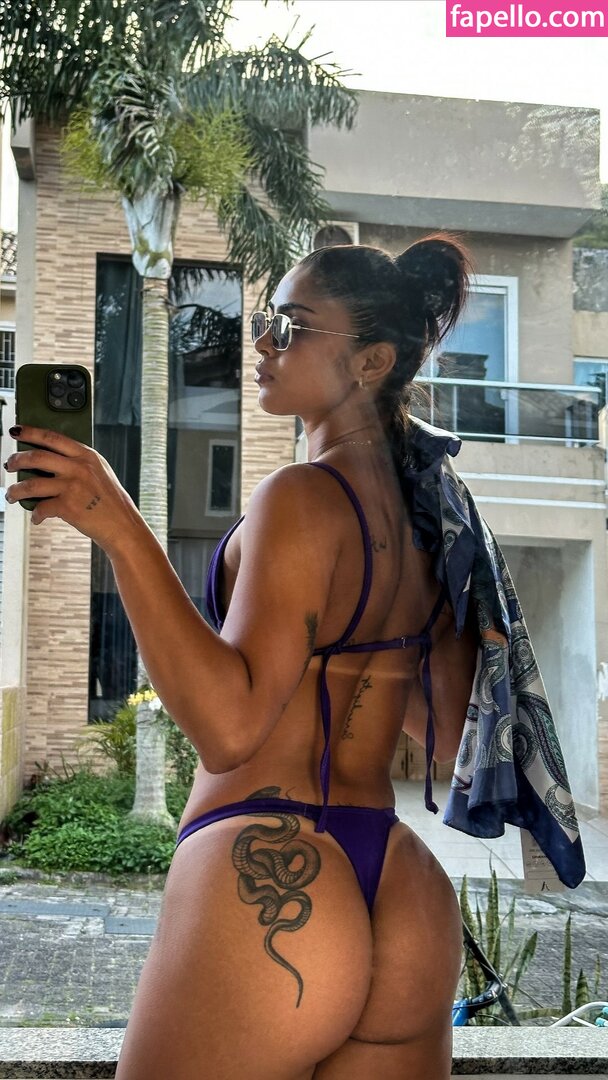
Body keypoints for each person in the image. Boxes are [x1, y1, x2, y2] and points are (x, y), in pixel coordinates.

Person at [5, 233, 480, 1079]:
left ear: (370, 361)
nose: (261, 342)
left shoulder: (302, 496)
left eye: (290, 327)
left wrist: (115, 522)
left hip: (268, 872)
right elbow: (449, 734)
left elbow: (230, 729)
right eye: (267, 320)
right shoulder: (428, 517)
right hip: (402, 887)